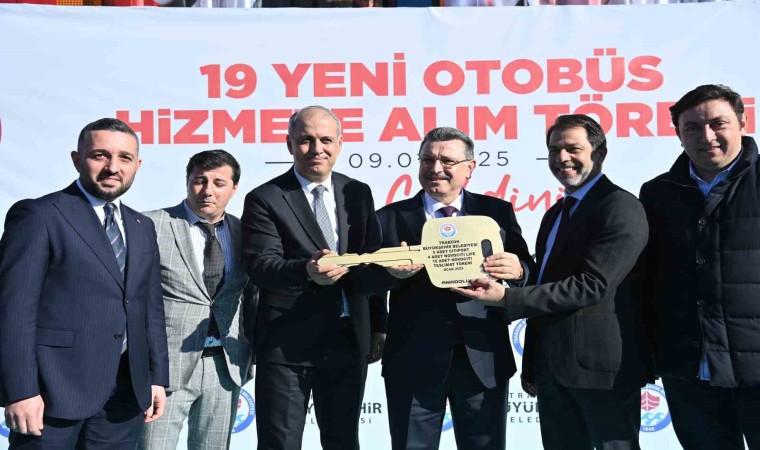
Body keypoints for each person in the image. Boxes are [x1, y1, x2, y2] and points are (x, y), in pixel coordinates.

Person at [453, 114, 652, 450]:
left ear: (599, 152)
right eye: (554, 149)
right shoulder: (555, 213)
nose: (562, 158)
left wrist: (506, 299)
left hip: (601, 373)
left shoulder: (620, 207)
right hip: (553, 370)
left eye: (573, 148)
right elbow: (548, 282)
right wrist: (519, 274)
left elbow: (592, 285)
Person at [0, 118, 169, 449]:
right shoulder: (39, 215)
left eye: (124, 158)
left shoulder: (142, 225)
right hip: (52, 394)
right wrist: (19, 390)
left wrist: (156, 377)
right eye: (100, 155)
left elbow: (150, 308)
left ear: (137, 165)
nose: (113, 167)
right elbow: (13, 310)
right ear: (77, 159)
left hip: (125, 396)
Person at [373, 126, 534, 450]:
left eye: (447, 160)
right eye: (427, 160)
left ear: (469, 167)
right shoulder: (388, 218)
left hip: (482, 358)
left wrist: (518, 271)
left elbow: (525, 271)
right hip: (413, 362)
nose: (436, 168)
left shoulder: (496, 213)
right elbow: (368, 284)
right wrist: (392, 275)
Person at [241, 105, 385, 450]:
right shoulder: (265, 198)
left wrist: (379, 324)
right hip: (287, 347)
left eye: (326, 140)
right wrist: (306, 270)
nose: (316, 148)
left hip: (347, 342)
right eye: (306, 140)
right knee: (280, 444)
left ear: (340, 144)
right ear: (289, 144)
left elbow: (370, 262)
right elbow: (261, 266)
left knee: (343, 443)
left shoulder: (358, 193)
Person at [639, 84, 760, 450]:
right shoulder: (657, 193)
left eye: (718, 124)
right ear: (678, 135)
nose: (707, 136)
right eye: (692, 127)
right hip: (689, 371)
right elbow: (649, 280)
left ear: (742, 122)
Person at [138, 150, 256, 450]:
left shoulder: (246, 233)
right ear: (187, 182)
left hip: (224, 366)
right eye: (199, 181)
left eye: (219, 183)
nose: (208, 191)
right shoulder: (151, 225)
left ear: (234, 188)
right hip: (164, 369)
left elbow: (251, 295)